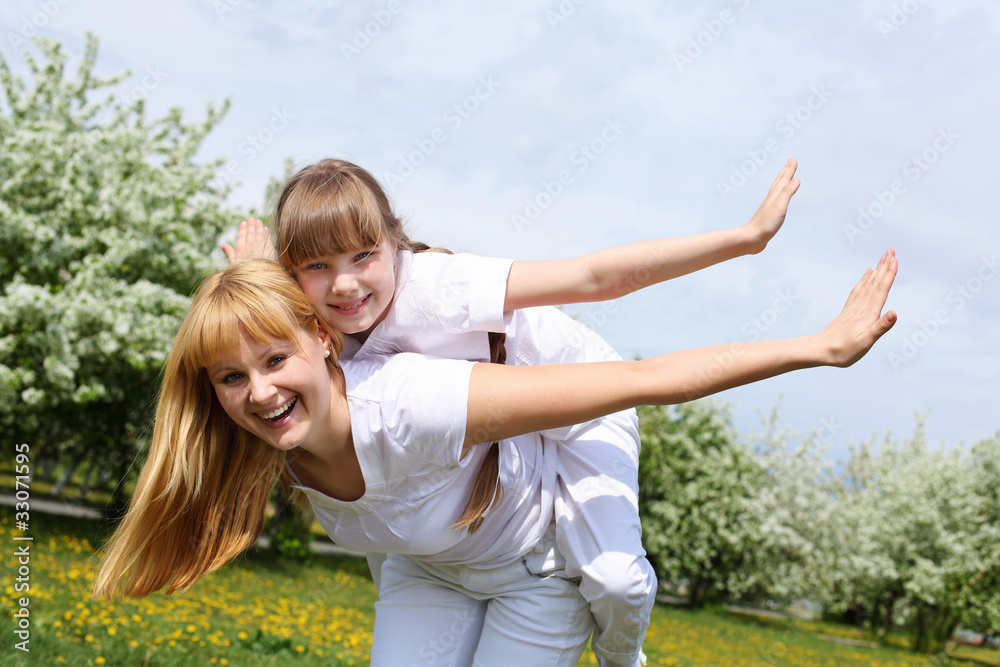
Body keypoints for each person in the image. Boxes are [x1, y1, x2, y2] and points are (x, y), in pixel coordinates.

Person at [93, 250, 898, 665]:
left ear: (323, 340)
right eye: (232, 377)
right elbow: (247, 325)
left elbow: (642, 379)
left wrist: (818, 347)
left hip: (532, 573)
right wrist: (248, 261)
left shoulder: (415, 401)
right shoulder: (258, 432)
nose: (259, 392)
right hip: (426, 570)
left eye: (275, 361)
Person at [221, 157, 802, 666]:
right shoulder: (321, 329)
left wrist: (744, 238)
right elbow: (254, 331)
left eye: (363, 255)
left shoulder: (437, 289)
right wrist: (248, 274)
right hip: (490, 441)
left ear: (394, 242)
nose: (344, 284)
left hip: (586, 408)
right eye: (317, 266)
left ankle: (623, 657)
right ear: (291, 273)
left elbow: (595, 278)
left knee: (615, 580)